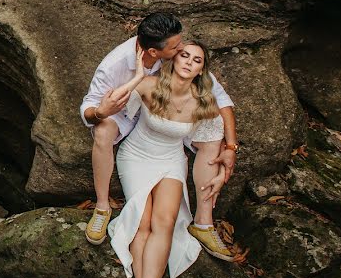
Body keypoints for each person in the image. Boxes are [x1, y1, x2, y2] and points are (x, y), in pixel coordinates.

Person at [79, 13, 239, 259]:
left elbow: (222, 100)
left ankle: (204, 223)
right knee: (103, 130)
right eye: (177, 47)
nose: (182, 49)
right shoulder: (115, 64)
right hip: (125, 111)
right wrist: (101, 112)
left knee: (213, 136)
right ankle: (102, 207)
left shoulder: (182, 55)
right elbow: (90, 106)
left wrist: (230, 147)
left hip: (171, 118)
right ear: (155, 52)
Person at [108, 41, 227, 278]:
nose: (188, 62)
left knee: (166, 221)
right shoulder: (150, 85)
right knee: (143, 221)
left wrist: (223, 169)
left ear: (201, 69)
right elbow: (114, 101)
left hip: (171, 160)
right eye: (184, 55)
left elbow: (212, 144)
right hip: (136, 155)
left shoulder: (204, 102)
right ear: (174, 59)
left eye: (196, 60)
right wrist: (137, 75)